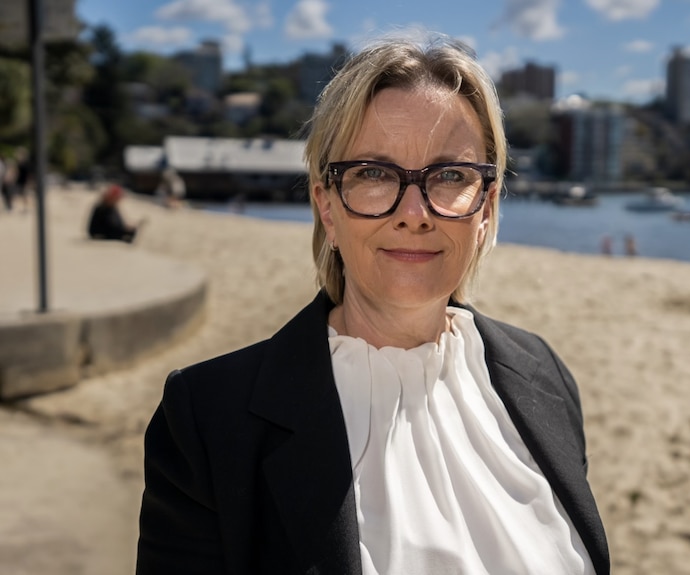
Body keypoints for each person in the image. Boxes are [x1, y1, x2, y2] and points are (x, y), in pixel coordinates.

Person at [136, 33, 609, 575]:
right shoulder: (206, 417)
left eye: (451, 175)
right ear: (327, 206)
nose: (414, 213)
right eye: (374, 174)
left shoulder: (544, 376)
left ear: (486, 207)